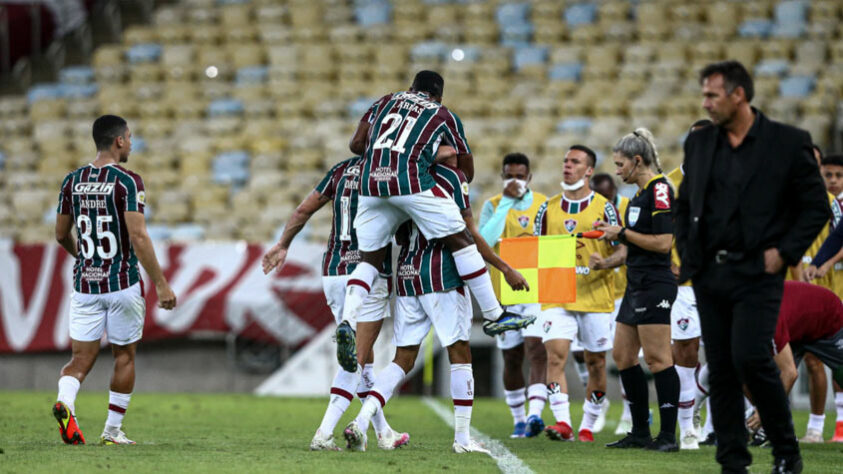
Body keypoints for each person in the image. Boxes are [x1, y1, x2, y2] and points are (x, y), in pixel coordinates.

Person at [675, 60, 829, 474]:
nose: (705, 103)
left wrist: (785, 252)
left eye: (712, 95)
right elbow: (685, 204)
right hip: (710, 273)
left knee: (753, 360)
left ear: (738, 95)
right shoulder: (700, 144)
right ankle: (733, 462)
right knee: (722, 368)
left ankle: (785, 451)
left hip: (759, 274)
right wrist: (692, 256)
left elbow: (816, 207)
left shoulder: (787, 142)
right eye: (703, 94)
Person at [336, 70, 531, 372]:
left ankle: (348, 320)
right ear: (439, 95)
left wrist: (384, 155)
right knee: (462, 239)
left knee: (369, 261)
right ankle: (494, 314)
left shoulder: (385, 100)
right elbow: (467, 169)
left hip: (370, 185)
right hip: (409, 182)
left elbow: (356, 144)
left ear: (411, 87)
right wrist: (438, 164)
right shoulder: (442, 113)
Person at [344, 159, 528, 453]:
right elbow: (466, 234)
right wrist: (504, 268)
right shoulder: (452, 176)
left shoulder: (398, 176)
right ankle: (462, 439)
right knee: (459, 351)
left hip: (407, 272)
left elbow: (399, 234)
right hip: (441, 273)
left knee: (402, 358)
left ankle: (362, 420)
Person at [262, 152, 417, 451]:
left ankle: (384, 432)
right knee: (355, 359)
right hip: (368, 271)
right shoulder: (388, 172)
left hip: (333, 271)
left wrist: (282, 244)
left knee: (364, 358)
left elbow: (302, 211)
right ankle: (324, 432)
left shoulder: (340, 170)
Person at [53, 115, 177, 445]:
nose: (132, 144)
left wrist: (83, 257)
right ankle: (111, 432)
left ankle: (66, 403)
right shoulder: (127, 181)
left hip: (85, 285)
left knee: (79, 359)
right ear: (119, 141)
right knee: (124, 356)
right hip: (121, 283)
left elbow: (60, 234)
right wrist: (162, 283)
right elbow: (138, 236)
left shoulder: (71, 180)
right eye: (130, 138)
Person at [594, 128, 680, 452]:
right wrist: (613, 238)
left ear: (637, 160)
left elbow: (663, 243)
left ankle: (668, 436)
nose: (617, 171)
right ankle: (641, 431)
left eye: (620, 164)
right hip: (635, 283)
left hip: (655, 283)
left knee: (658, 359)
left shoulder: (660, 191)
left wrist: (624, 234)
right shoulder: (637, 197)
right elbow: (634, 241)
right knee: (623, 356)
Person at [533, 145, 621, 443]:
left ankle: (588, 424)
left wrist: (605, 262)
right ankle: (563, 424)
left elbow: (623, 248)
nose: (567, 166)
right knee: (555, 357)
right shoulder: (547, 208)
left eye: (575, 162)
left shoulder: (605, 207)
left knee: (596, 362)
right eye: (565, 160)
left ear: (589, 171)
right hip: (557, 293)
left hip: (595, 295)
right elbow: (535, 251)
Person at [699, 282, 843, 445]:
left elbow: (789, 374)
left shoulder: (765, 316)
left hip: (828, 319)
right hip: (794, 328)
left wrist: (764, 410)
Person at [477, 152, 548, 438]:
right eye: (509, 176)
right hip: (504, 293)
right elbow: (486, 240)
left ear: (529, 178)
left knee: (537, 349)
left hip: (538, 289)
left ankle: (534, 415)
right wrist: (506, 201)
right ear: (502, 177)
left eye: (520, 176)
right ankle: (518, 418)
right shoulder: (492, 205)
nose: (515, 181)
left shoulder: (545, 204)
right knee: (512, 357)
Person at [664, 118, 712, 450]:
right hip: (683, 285)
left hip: (720, 280)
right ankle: (688, 425)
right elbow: (658, 231)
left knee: (730, 351)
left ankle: (708, 421)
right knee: (686, 351)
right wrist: (669, 263)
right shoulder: (667, 185)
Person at [592, 173, 634, 435]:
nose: (603, 201)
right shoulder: (588, 207)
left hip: (624, 292)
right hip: (595, 291)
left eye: (607, 197)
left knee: (625, 356)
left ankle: (630, 414)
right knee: (589, 355)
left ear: (614, 191)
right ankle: (598, 405)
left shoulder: (629, 208)